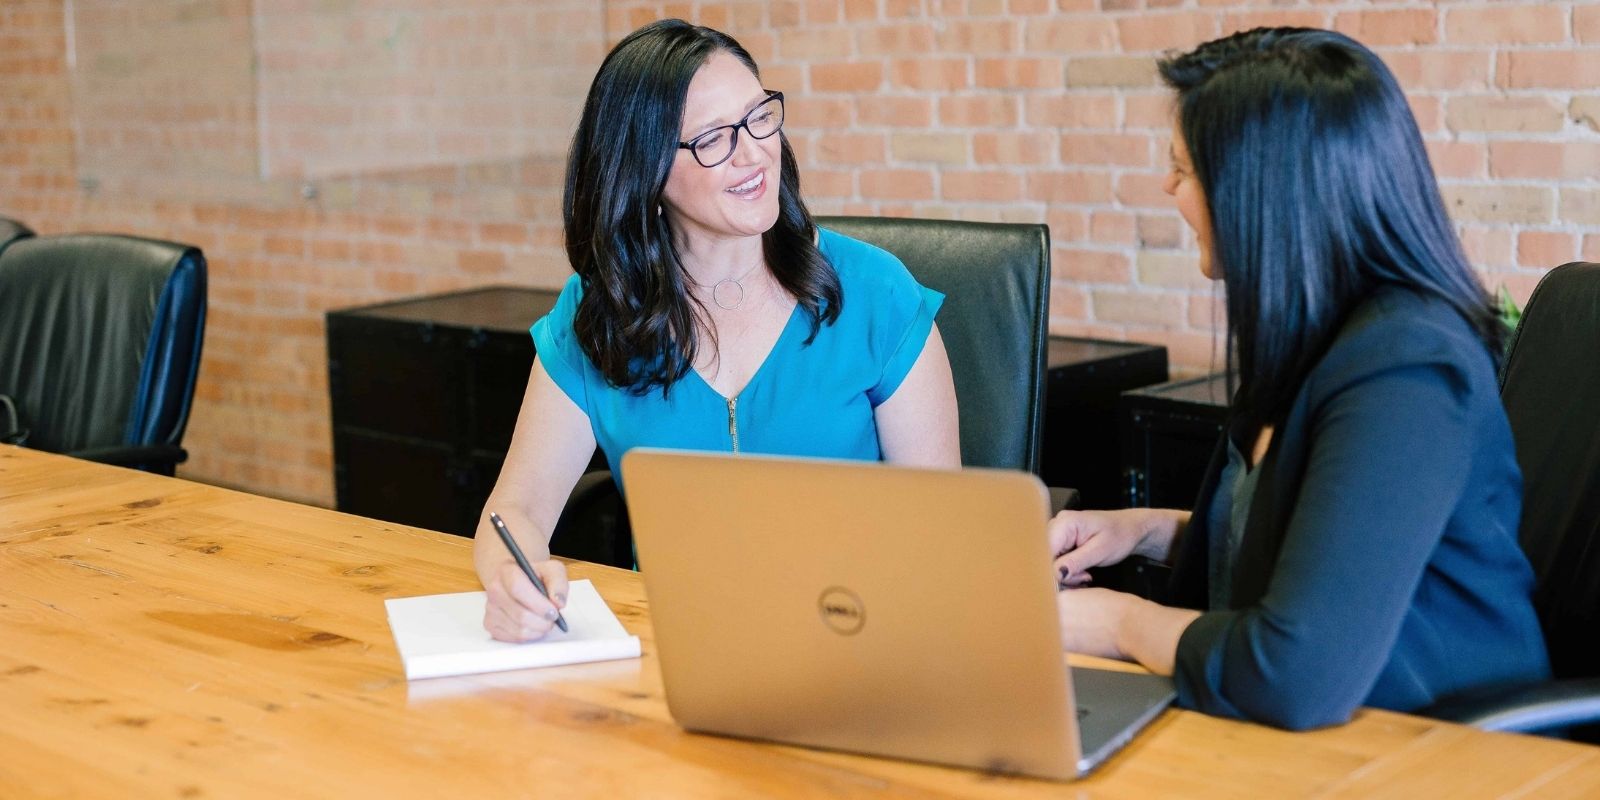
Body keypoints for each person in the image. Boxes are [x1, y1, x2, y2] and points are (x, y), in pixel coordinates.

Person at [1048, 28, 1549, 730]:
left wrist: (1119, 623)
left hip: (1433, 743)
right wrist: (1144, 530)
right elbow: (1311, 545)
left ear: (1262, 193)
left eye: (1183, 169)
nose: (1167, 187)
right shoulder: (1315, 335)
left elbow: (1293, 673)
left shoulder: (1407, 370)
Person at [474, 20, 959, 643]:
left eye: (760, 117)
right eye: (711, 139)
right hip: (674, 650)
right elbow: (513, 510)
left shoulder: (876, 294)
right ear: (645, 172)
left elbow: (941, 531)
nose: (755, 152)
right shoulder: (598, 316)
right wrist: (511, 582)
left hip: (858, 639)